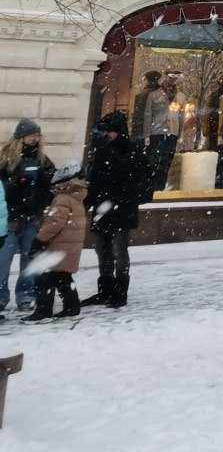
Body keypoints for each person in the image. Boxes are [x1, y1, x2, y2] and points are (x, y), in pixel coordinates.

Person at [83, 111, 146, 309]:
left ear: (119, 131)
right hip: (103, 207)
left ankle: (120, 293)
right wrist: (87, 203)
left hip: (121, 208)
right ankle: (105, 290)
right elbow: (95, 178)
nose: (107, 135)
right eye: (105, 131)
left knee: (119, 251)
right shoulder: (102, 149)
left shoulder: (132, 148)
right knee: (102, 251)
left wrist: (105, 153)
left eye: (110, 131)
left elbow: (126, 169)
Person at [0, 118, 55, 317]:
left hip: (33, 216)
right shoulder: (6, 158)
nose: (34, 139)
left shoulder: (42, 159)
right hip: (11, 217)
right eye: (31, 135)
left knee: (29, 258)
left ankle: (26, 295)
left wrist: (42, 188)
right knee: (3, 260)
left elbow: (52, 185)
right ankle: (0, 296)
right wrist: (16, 183)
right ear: (20, 137)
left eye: (37, 135)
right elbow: (2, 188)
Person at [24, 161, 88, 323]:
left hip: (58, 245)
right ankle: (72, 307)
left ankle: (43, 311)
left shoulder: (62, 198)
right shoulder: (77, 197)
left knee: (45, 279)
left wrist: (39, 240)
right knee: (63, 277)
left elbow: (54, 223)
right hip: (70, 245)